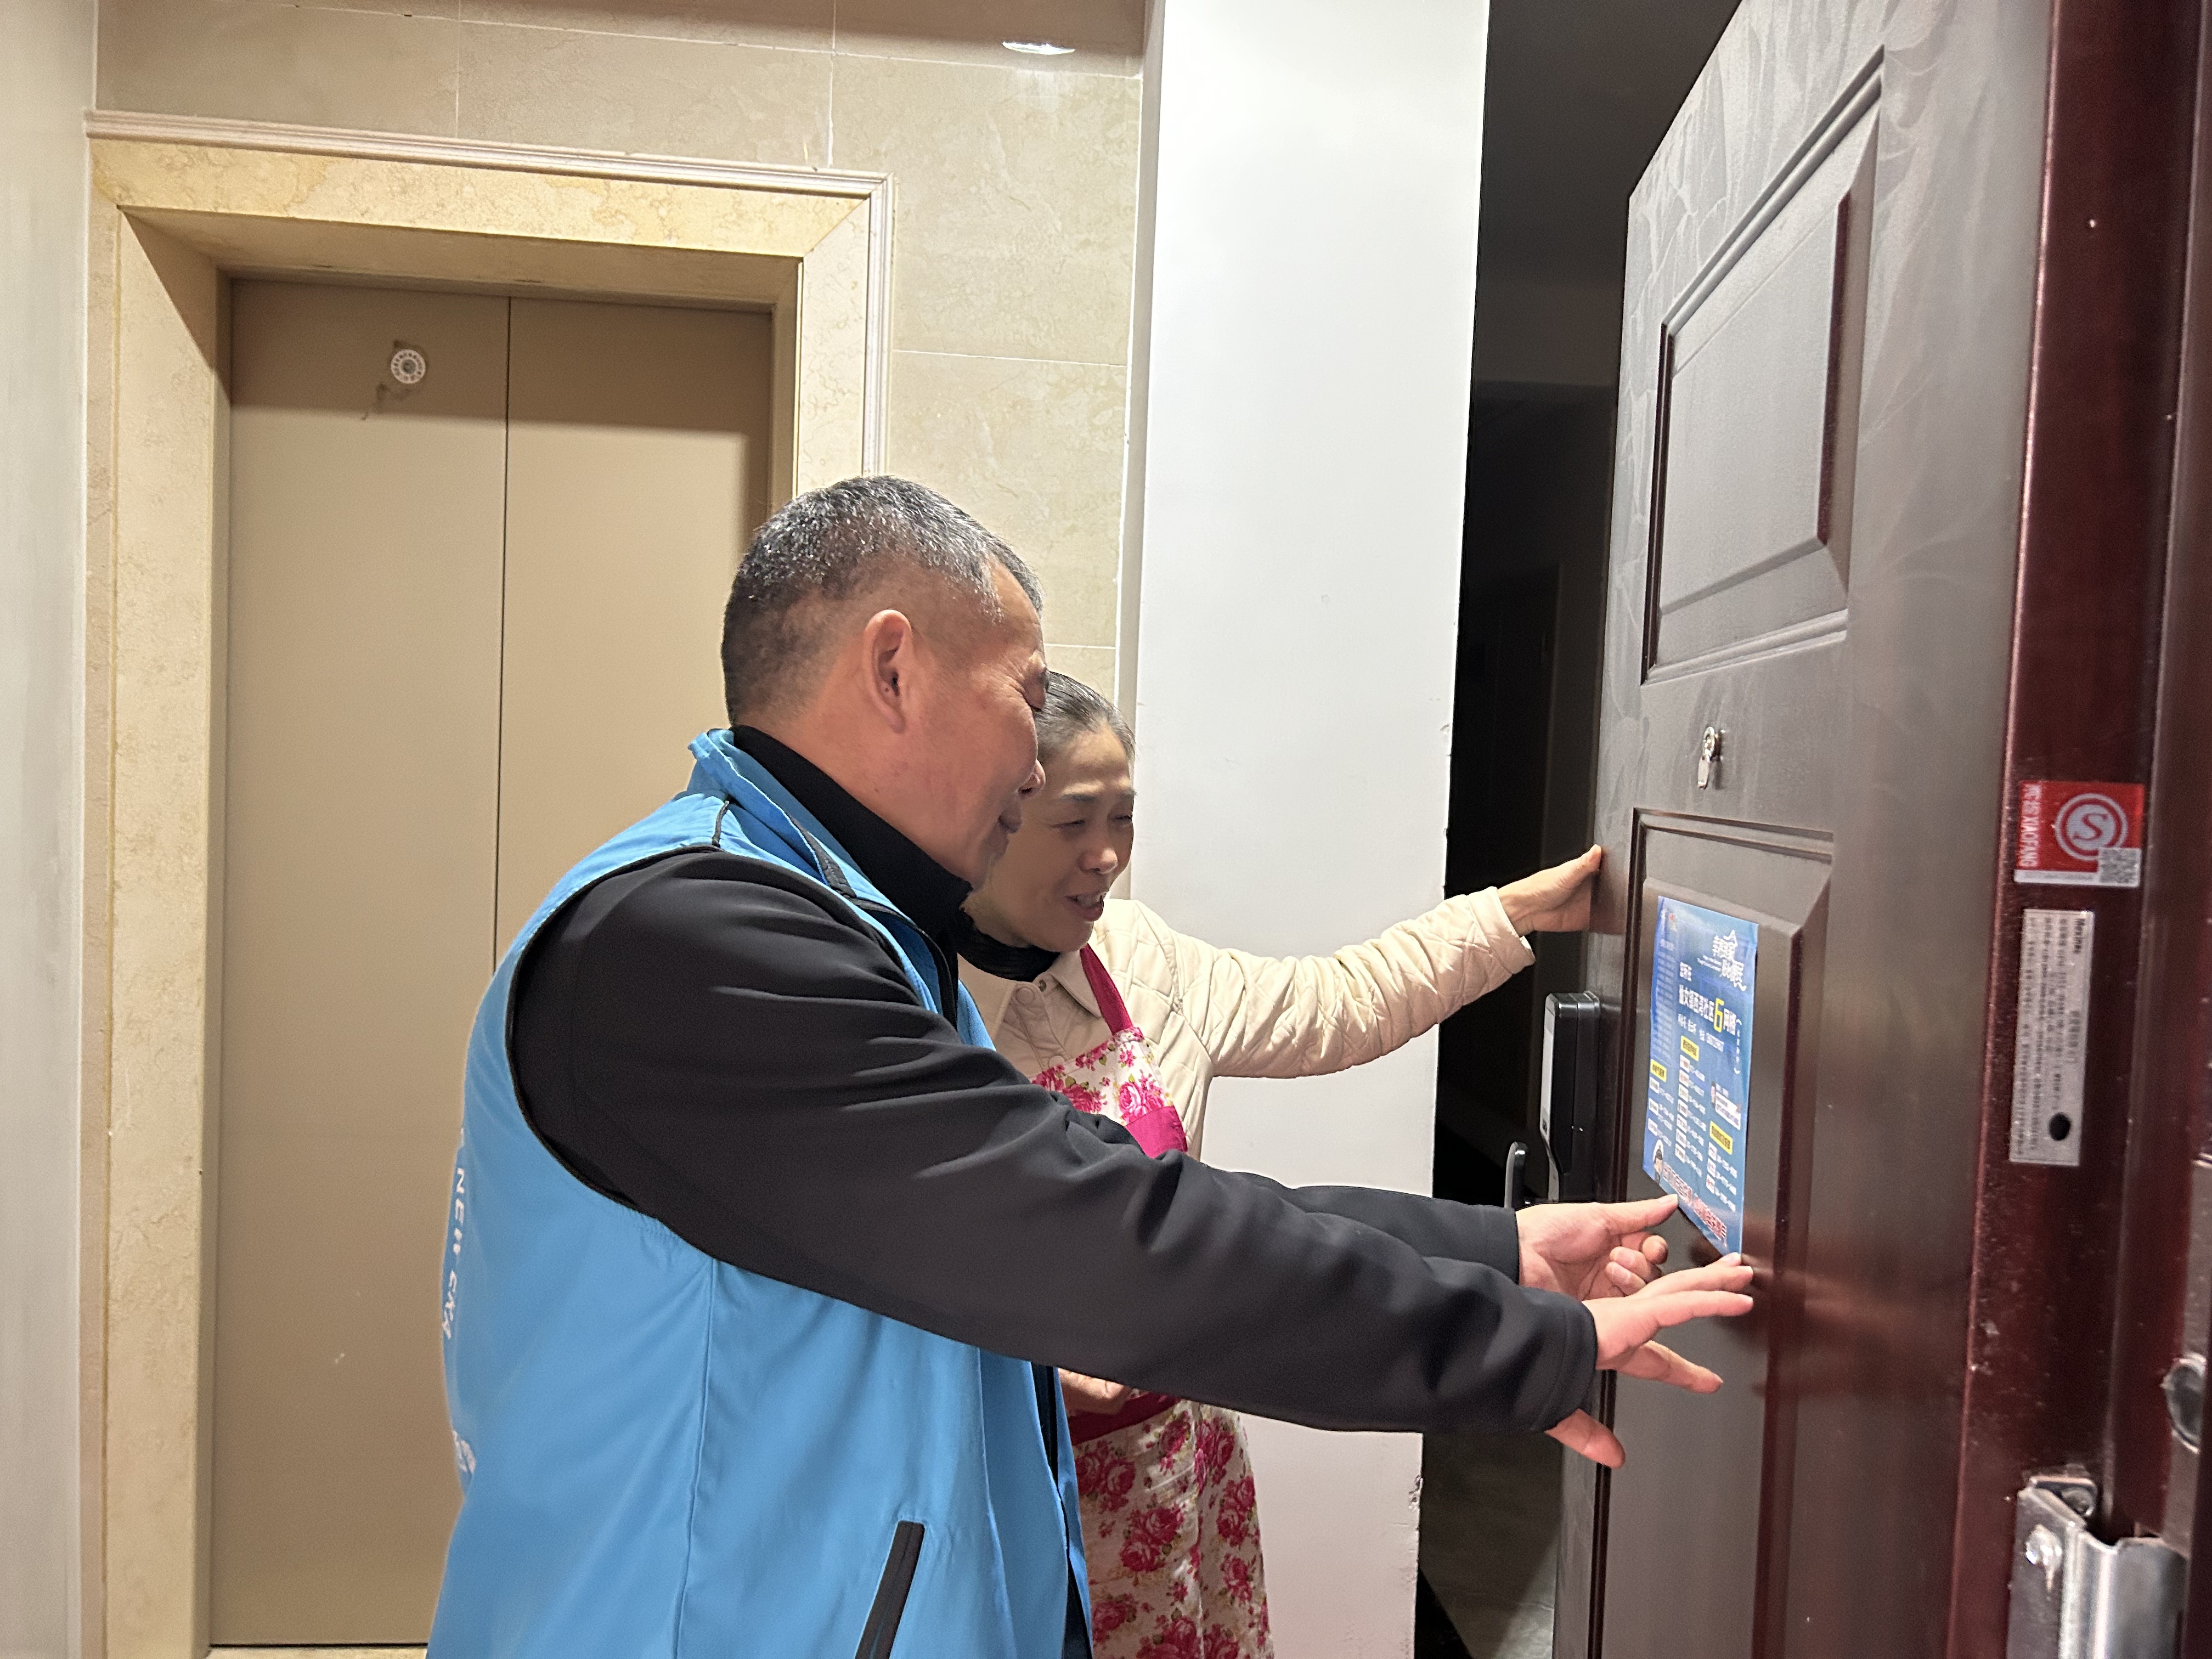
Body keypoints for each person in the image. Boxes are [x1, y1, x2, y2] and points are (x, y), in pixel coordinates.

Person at [430, 476, 1753, 1659]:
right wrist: (1519, 1347)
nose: (1033, 754)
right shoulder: (697, 943)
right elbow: (1114, 1238)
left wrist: (1496, 1248)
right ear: (893, 669)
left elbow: (1120, 1189)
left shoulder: (846, 931)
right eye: (1024, 693)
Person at [956, 672, 1607, 1657]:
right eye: (1074, 821)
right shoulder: (919, 1004)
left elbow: (1333, 1002)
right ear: (997, 816)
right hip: (1021, 1492)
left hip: (1181, 1463)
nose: (1107, 855)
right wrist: (1023, 1357)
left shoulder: (1140, 957)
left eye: (1123, 817)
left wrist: (1510, 914)